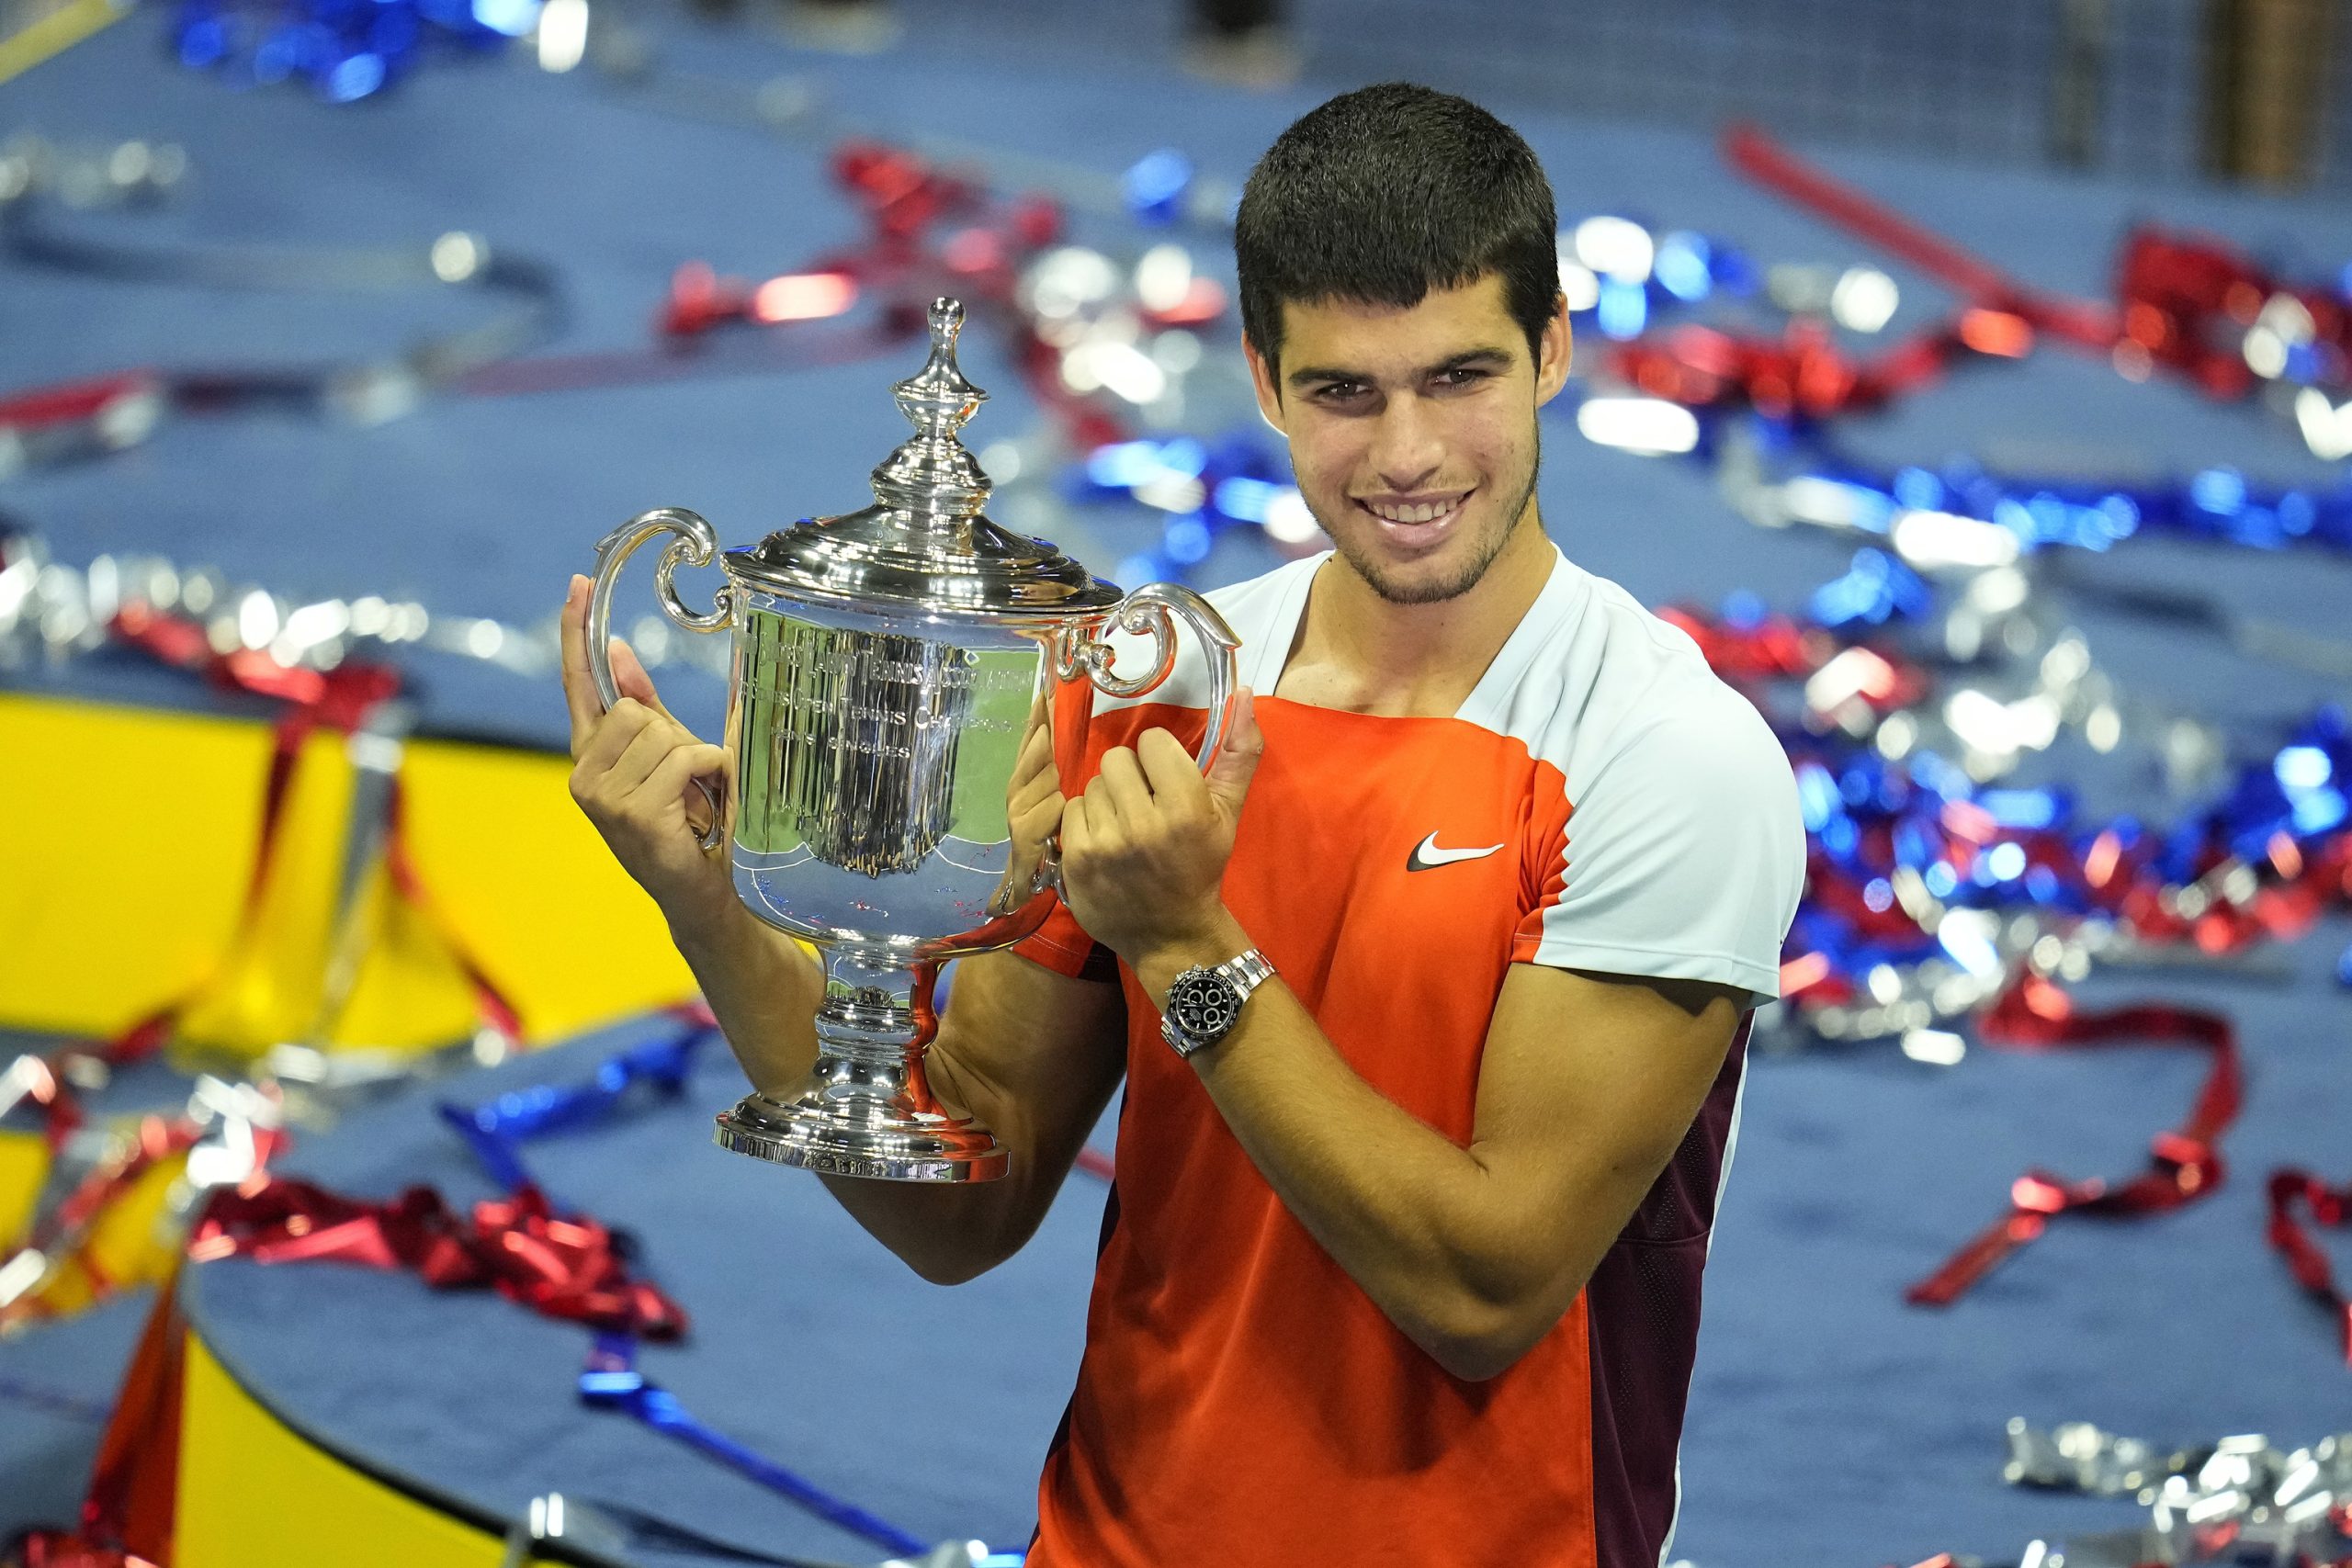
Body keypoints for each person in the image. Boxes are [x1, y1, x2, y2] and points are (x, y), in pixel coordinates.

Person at [560, 82, 1804, 1568]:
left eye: (1459, 376)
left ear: (1553, 351)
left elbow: (1486, 1291)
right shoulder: (1153, 684)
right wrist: (707, 901)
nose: (1407, 453)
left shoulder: (1667, 758)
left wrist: (1188, 949)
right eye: (1345, 391)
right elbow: (968, 1197)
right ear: (1266, 386)